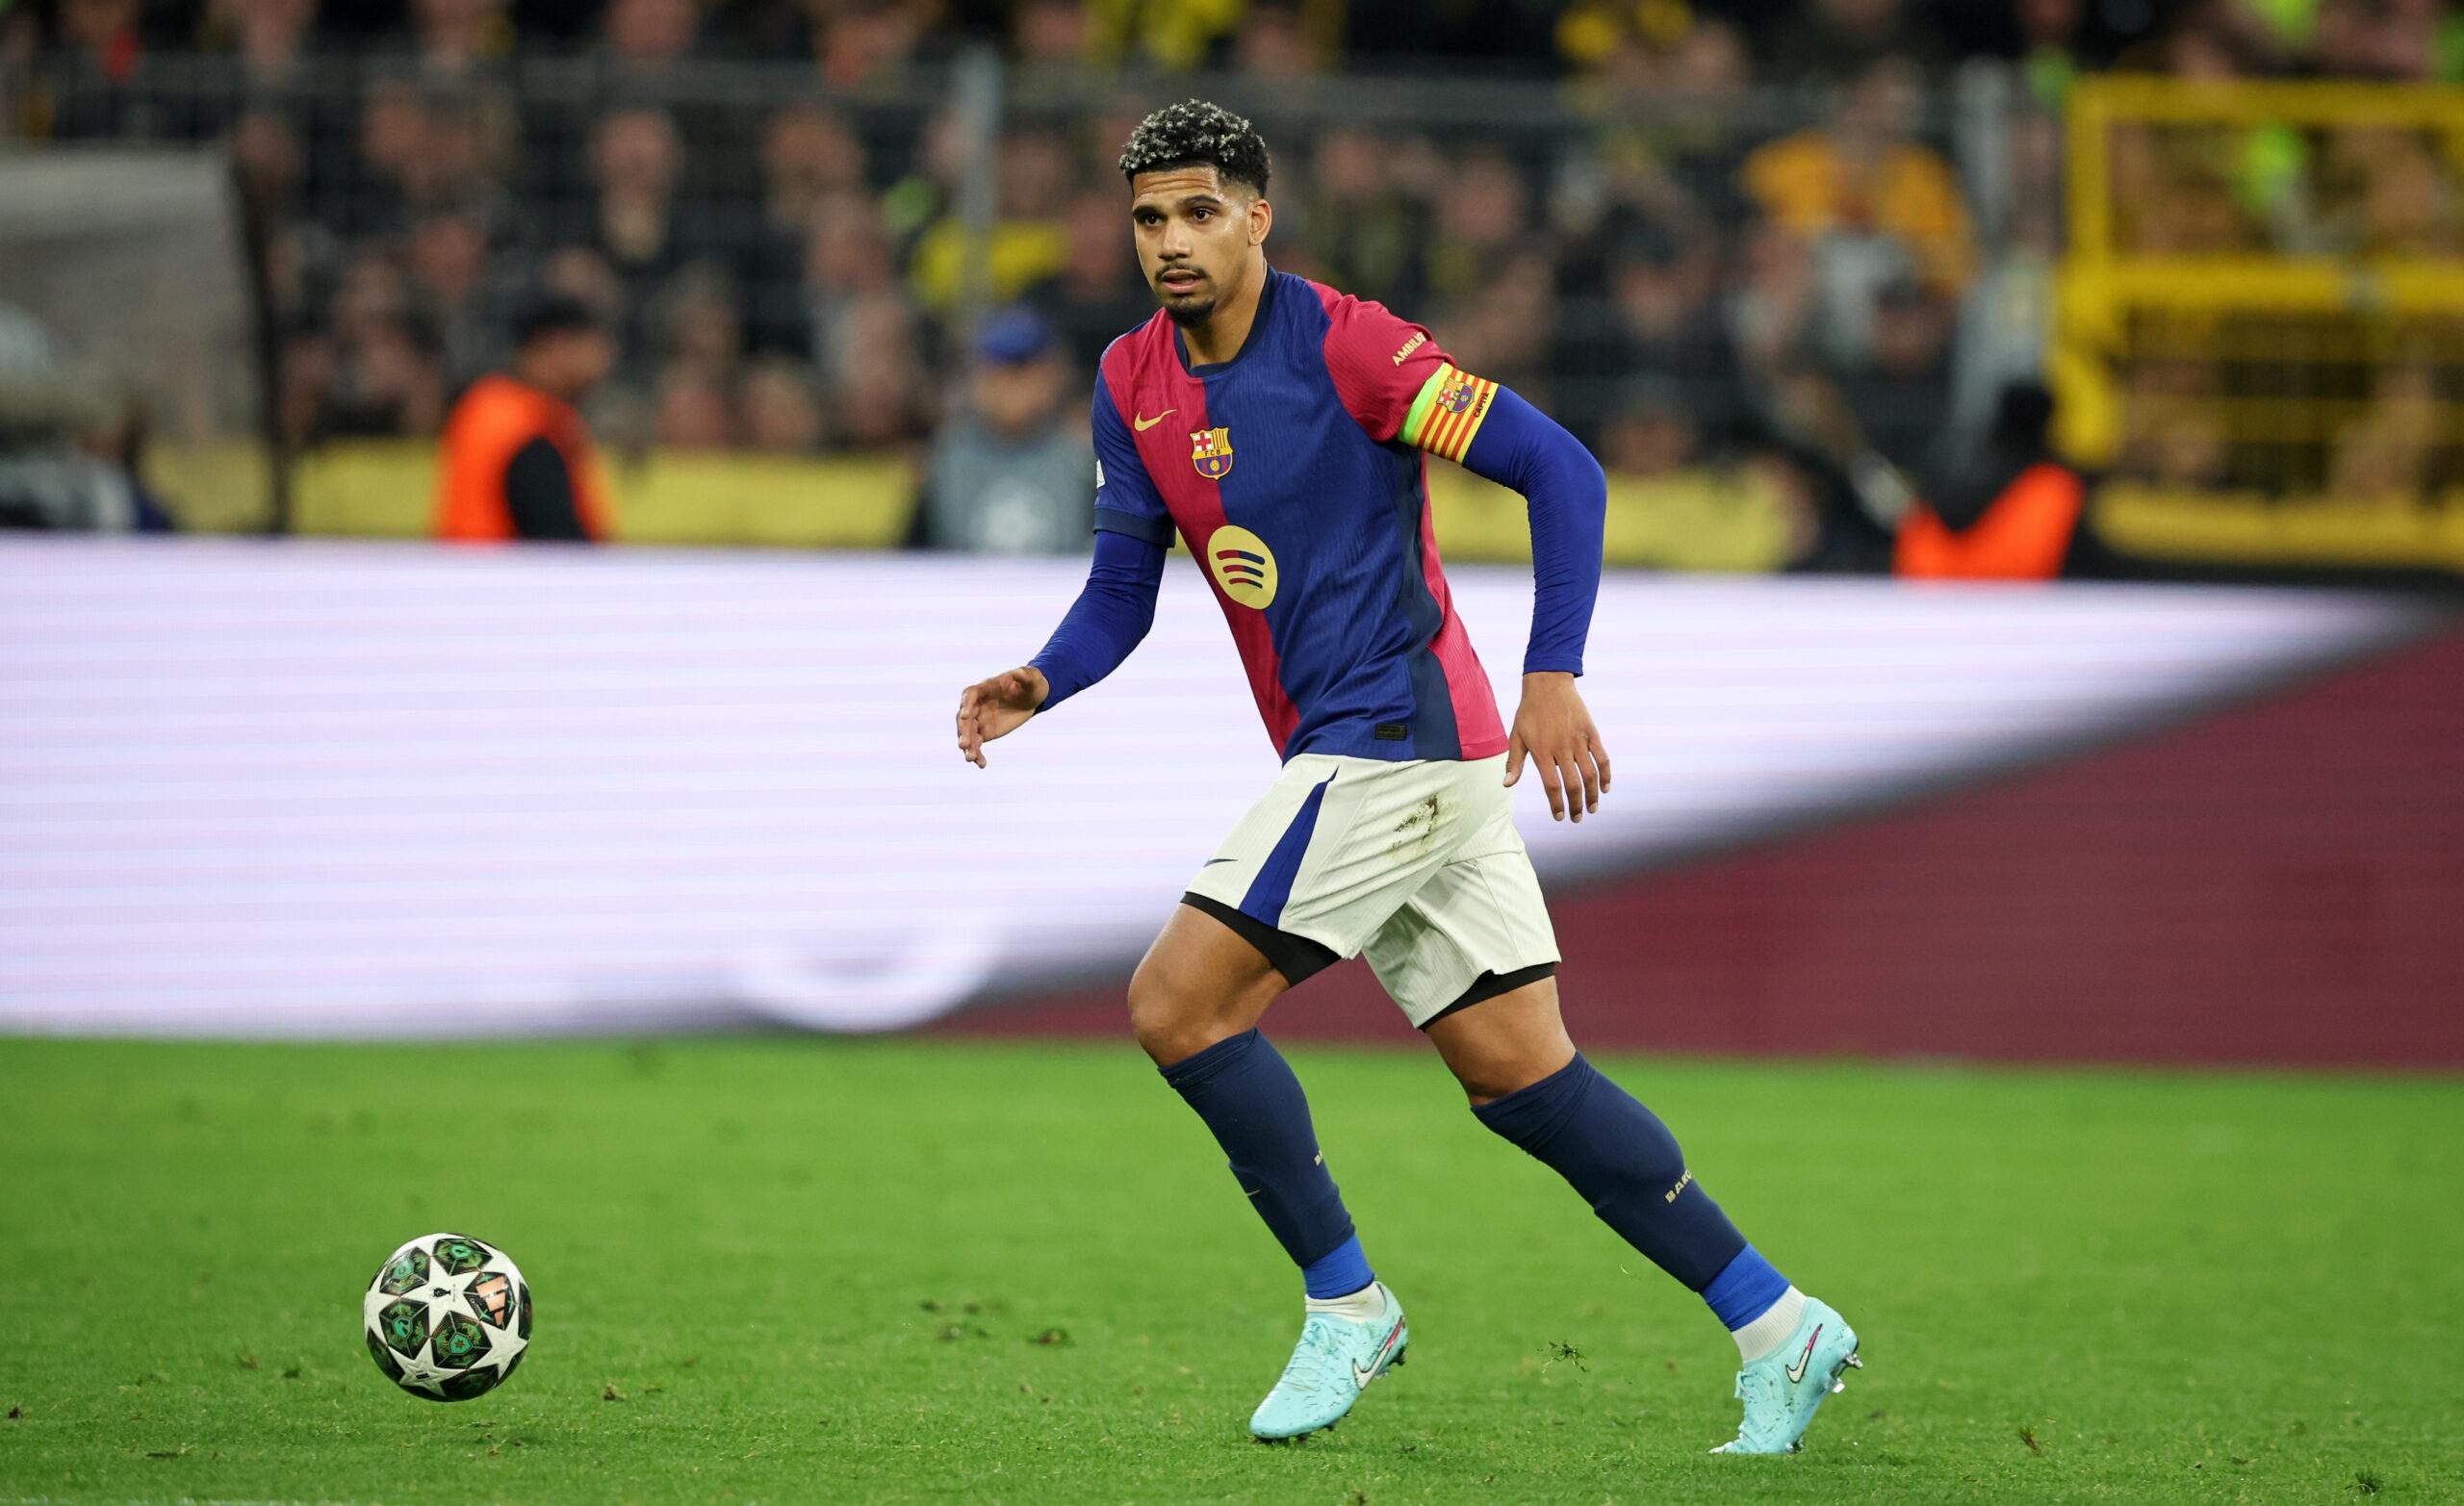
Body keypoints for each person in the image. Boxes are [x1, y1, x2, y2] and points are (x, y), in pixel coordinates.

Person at [952, 100, 1862, 1455]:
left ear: (1258, 216)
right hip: (1390, 758)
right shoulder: (1130, 377)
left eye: (1200, 212)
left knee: (1177, 1005)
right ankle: (1779, 1324)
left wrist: (1556, 670)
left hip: (1397, 739)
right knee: (1526, 1078)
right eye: (1149, 217)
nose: (1171, 241)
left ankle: (1347, 1303)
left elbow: (1560, 468)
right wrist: (1043, 678)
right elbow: (1123, 590)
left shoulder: (1350, 344)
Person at [433, 294, 615, 542]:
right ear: (555, 347)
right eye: (589, 347)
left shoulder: (494, 406)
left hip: (472, 564)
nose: (601, 363)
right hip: (499, 566)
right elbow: (557, 540)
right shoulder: (524, 427)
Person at [916, 306, 1094, 554]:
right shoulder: (946, 459)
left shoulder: (1083, 455)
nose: (1010, 386)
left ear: (1054, 374)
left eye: (1023, 370)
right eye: (997, 371)